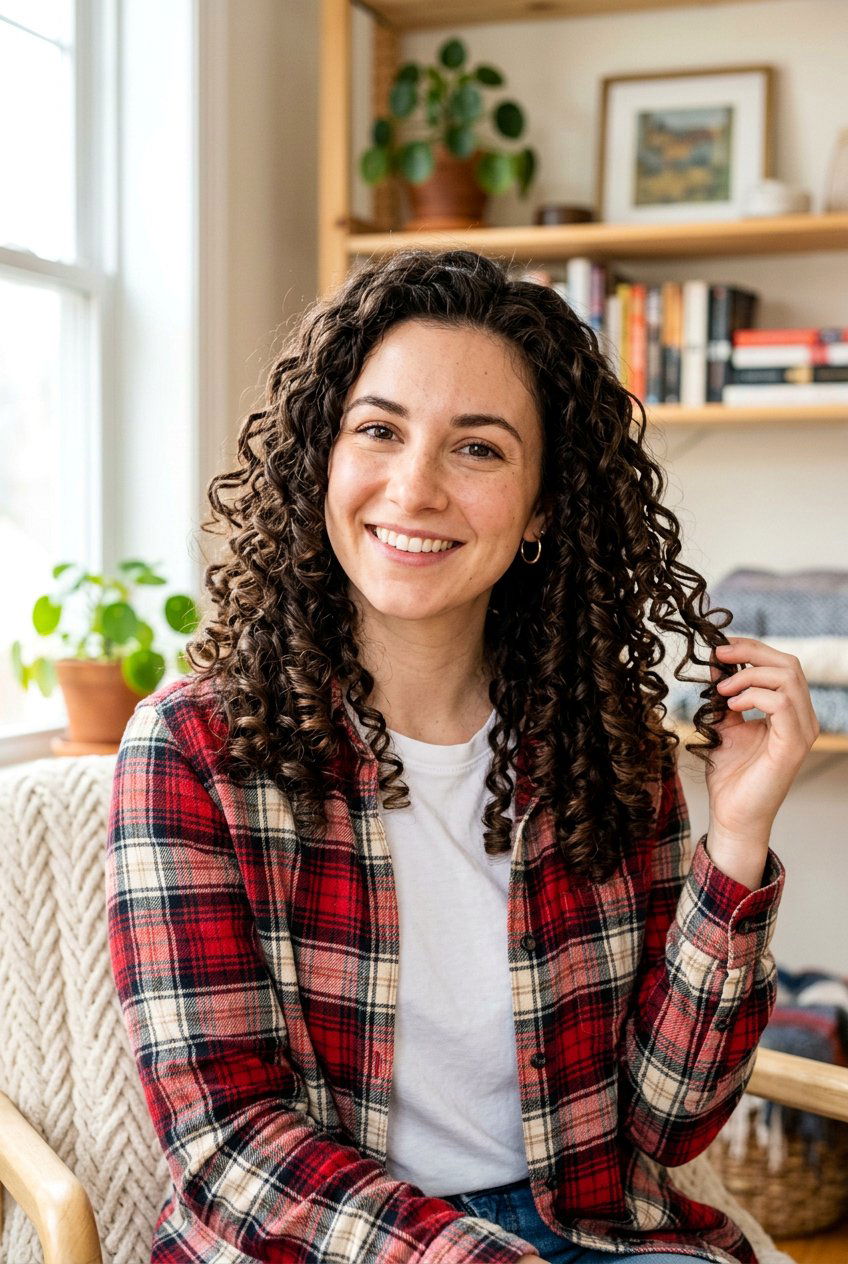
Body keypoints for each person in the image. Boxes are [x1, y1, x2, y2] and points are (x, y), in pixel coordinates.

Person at [106, 248, 819, 1264]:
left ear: (538, 508)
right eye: (379, 430)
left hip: (584, 1231)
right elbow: (226, 1141)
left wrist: (736, 839)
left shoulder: (603, 737)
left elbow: (669, 1125)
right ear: (322, 458)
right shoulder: (189, 747)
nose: (414, 486)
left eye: (476, 449)